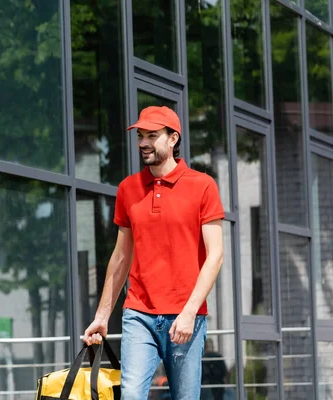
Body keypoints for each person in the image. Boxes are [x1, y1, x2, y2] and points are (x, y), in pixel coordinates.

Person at [83, 106, 225, 399]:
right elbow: (121, 256)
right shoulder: (128, 189)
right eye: (140, 136)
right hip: (139, 315)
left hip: (186, 318)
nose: (143, 143)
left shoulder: (203, 186)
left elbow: (216, 256)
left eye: (152, 135)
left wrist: (189, 313)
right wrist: (102, 314)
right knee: (132, 394)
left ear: (173, 139)